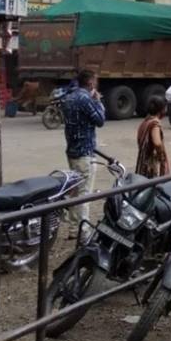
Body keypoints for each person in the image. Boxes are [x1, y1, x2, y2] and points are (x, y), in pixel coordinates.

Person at [60, 69, 106, 236]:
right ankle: (83, 231)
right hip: (85, 152)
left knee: (74, 191)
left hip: (71, 151)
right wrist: (98, 101)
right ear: (91, 83)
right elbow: (100, 120)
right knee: (84, 194)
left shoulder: (68, 97)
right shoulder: (85, 99)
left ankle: (73, 228)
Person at [134, 97, 169, 178]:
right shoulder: (154, 124)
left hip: (143, 163)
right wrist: (161, 156)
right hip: (151, 167)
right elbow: (157, 143)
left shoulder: (145, 122)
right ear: (161, 110)